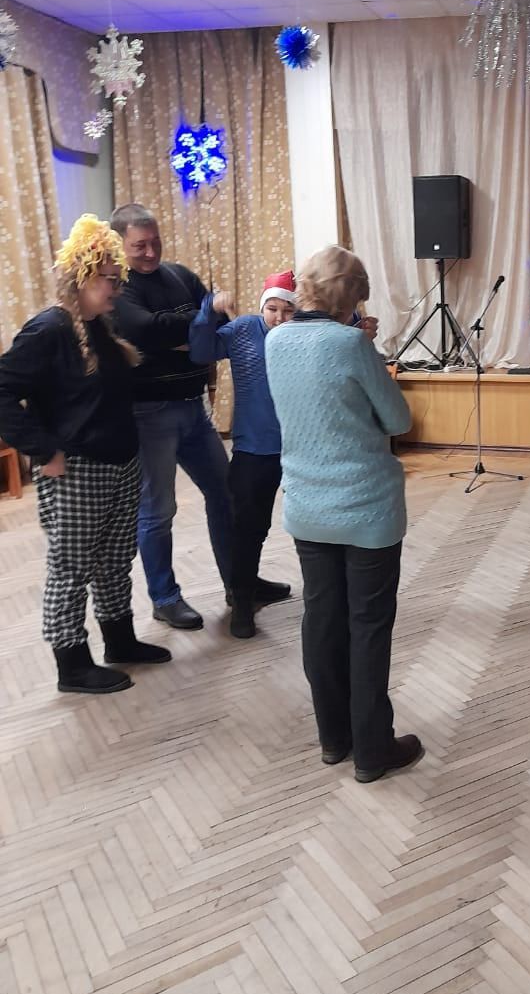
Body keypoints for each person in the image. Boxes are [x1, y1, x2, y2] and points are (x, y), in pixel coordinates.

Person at [265, 245, 420, 784]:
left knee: (322, 619)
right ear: (351, 295)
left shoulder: (275, 339)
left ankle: (334, 738)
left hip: (306, 504)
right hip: (365, 507)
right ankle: (373, 750)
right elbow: (398, 419)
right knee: (368, 625)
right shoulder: (352, 343)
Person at [0, 215, 171, 694]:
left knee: (116, 559)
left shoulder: (99, 324)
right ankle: (72, 664)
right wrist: (42, 450)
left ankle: (119, 640)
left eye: (118, 279)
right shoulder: (48, 329)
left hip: (120, 463)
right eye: (108, 279)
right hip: (76, 468)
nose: (117, 288)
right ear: (80, 278)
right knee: (71, 568)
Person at [111, 203, 244, 631]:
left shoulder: (180, 274)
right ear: (119, 245)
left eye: (155, 242)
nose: (151, 252)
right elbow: (143, 330)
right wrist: (195, 324)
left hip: (193, 407)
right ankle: (165, 598)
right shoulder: (116, 286)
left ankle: (239, 583)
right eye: (139, 246)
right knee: (158, 510)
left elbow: (214, 320)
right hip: (148, 413)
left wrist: (185, 331)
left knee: (226, 493)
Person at [188, 270, 298, 640]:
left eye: (287, 310)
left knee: (308, 524)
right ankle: (241, 599)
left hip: (301, 446)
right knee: (248, 527)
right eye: (272, 309)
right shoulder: (244, 329)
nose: (279, 318)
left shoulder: (303, 335)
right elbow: (201, 352)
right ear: (261, 307)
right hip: (254, 448)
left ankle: (322, 596)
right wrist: (209, 308)